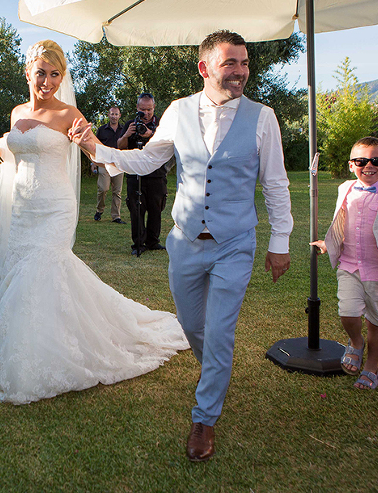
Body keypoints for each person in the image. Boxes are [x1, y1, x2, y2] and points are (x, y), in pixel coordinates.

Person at [70, 30, 293, 462]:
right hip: (186, 241)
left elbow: (276, 184)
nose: (241, 72)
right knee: (193, 328)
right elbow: (148, 159)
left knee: (220, 332)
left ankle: (204, 418)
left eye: (245, 63)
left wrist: (280, 240)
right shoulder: (178, 111)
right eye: (230, 63)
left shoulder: (263, 118)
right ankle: (215, 372)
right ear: (205, 67)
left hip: (234, 244)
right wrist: (97, 149)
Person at [0, 40, 189, 405]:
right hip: (23, 210)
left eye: (55, 74)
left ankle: (43, 361)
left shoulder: (69, 114)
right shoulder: (16, 114)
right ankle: (36, 349)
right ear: (28, 73)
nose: (47, 81)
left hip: (55, 208)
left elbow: (100, 156)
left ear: (62, 77)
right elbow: (13, 154)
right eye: (41, 73)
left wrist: (89, 143)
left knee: (41, 272)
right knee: (26, 277)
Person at [311, 136, 378, 390]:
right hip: (349, 266)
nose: (368, 165)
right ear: (351, 165)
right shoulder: (345, 189)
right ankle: (356, 342)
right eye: (361, 161)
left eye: (377, 160)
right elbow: (342, 221)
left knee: (376, 321)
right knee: (347, 313)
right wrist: (329, 244)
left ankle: (371, 366)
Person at [118, 93, 166, 256]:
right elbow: (120, 146)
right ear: (137, 107)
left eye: (149, 109)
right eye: (143, 109)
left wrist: (150, 134)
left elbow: (168, 144)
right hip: (135, 173)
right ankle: (138, 243)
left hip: (156, 174)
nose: (146, 113)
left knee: (156, 209)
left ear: (154, 107)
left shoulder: (161, 124)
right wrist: (127, 134)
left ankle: (153, 241)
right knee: (136, 209)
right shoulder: (130, 124)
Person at [93, 107, 126, 224]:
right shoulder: (102, 130)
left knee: (117, 191)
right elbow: (95, 146)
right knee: (103, 188)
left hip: (119, 163)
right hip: (104, 162)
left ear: (119, 115)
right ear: (108, 115)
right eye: (112, 114)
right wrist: (93, 162)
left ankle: (116, 216)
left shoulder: (124, 129)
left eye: (116, 114)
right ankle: (99, 210)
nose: (114, 116)